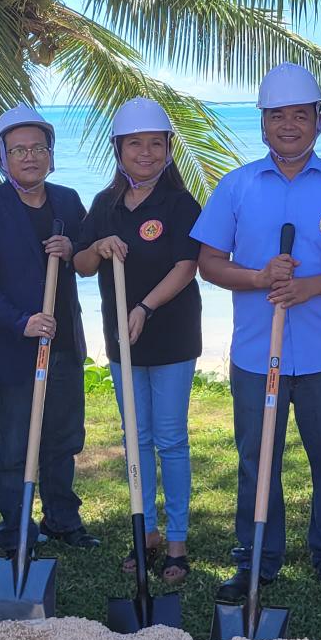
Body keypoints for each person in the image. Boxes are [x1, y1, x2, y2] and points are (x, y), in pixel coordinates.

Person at [194, 63, 321, 601]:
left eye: (301, 115)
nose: (289, 125)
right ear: (264, 124)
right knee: (257, 461)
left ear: (319, 121)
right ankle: (257, 556)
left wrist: (312, 287)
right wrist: (257, 277)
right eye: (277, 116)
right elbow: (208, 262)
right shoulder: (236, 186)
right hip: (256, 355)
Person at [75, 98, 203, 587]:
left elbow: (186, 266)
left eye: (155, 143)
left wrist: (145, 307)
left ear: (169, 150)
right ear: (119, 150)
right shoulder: (105, 204)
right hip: (121, 339)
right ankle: (144, 532)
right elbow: (82, 265)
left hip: (170, 336)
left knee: (170, 438)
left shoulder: (179, 204)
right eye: (135, 144)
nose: (145, 153)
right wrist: (98, 247)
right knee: (137, 438)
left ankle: (177, 542)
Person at [0, 104, 100, 554]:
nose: (29, 156)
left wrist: (74, 245)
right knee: (16, 446)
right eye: (18, 149)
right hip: (14, 346)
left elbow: (85, 263)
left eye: (38, 147)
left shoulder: (68, 201)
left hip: (62, 344)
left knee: (63, 440)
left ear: (50, 154)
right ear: (1, 158)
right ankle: (15, 528)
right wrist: (21, 322)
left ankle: (62, 519)